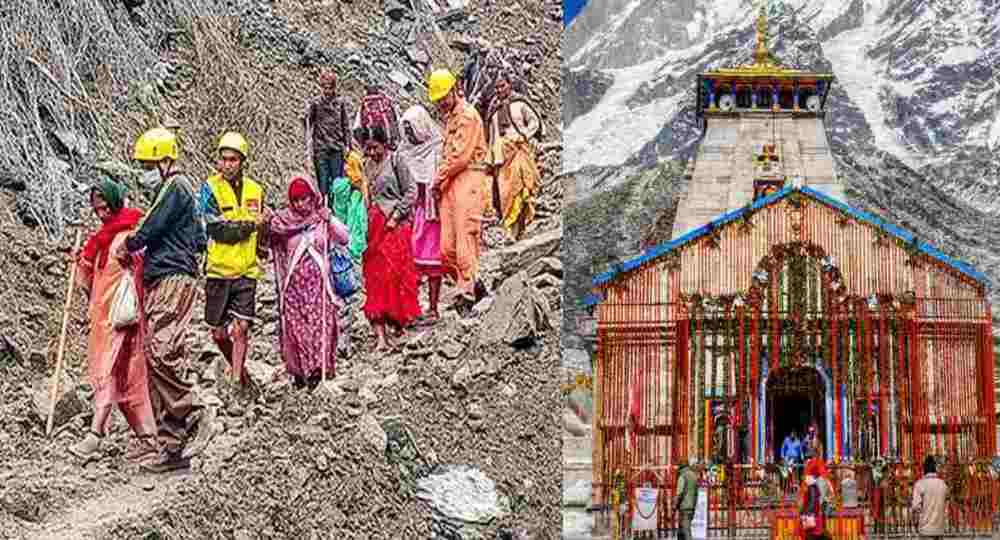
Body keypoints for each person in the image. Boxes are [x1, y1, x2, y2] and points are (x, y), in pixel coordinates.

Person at [116, 127, 205, 472]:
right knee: (158, 357)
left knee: (161, 351)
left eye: (149, 163)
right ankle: (172, 446)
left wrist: (129, 243)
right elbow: (197, 238)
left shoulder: (175, 187)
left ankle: (193, 409)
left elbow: (149, 229)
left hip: (171, 276)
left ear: (165, 160)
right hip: (169, 275)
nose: (146, 169)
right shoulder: (180, 192)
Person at [68, 178, 158, 464]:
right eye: (97, 209)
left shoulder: (131, 236)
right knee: (118, 376)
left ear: (116, 202)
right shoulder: (100, 240)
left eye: (106, 207)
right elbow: (89, 281)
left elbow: (143, 273)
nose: (101, 213)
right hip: (104, 319)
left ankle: (95, 434)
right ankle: (147, 438)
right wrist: (80, 261)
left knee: (119, 374)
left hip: (125, 320)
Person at [267, 176, 350, 388]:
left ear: (312, 197)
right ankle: (300, 372)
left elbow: (343, 238)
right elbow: (269, 242)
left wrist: (329, 218)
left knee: (319, 328)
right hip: (294, 290)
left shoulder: (321, 218)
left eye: (304, 199)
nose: (300, 204)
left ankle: (317, 370)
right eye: (295, 200)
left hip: (319, 287)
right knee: (298, 331)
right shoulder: (283, 222)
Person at [199, 132, 267, 389]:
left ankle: (237, 379)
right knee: (218, 333)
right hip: (218, 269)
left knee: (241, 327)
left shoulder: (255, 190)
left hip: (247, 270)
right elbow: (217, 230)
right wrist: (250, 225)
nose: (227, 164)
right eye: (224, 159)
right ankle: (237, 368)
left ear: (242, 162)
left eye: (233, 160)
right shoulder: (209, 189)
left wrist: (263, 241)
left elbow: (262, 227)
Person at [427, 68, 490, 314]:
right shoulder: (451, 118)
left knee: (465, 238)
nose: (441, 102)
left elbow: (460, 156)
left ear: (454, 90)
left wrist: (437, 179)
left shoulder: (467, 116)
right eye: (438, 99)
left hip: (469, 178)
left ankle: (466, 293)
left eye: (444, 96)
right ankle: (473, 284)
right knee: (446, 249)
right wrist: (441, 182)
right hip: (451, 182)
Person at [359, 125, 421, 349]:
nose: (373, 153)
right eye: (368, 149)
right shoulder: (366, 166)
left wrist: (396, 215)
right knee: (375, 278)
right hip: (374, 228)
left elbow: (411, 191)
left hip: (395, 227)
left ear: (384, 144)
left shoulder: (397, 161)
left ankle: (399, 323)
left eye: (375, 148)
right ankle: (381, 336)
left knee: (395, 275)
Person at [397, 104, 445, 322]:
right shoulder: (403, 152)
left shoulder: (437, 148)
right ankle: (412, 307)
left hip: (432, 214)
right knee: (410, 264)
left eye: (412, 129)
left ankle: (434, 308)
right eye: (405, 130)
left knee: (433, 262)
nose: (409, 135)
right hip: (412, 214)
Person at [484, 71, 543, 241]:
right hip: (500, 157)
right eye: (496, 87)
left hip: (518, 150)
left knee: (520, 187)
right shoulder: (493, 110)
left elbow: (534, 121)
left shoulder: (520, 104)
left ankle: (523, 226)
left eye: (502, 86)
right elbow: (492, 136)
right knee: (505, 192)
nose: (499, 90)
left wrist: (524, 135)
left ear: (510, 85)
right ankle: (510, 228)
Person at [330, 142, 368, 357]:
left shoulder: (346, 188)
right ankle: (343, 341)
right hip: (346, 249)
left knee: (344, 298)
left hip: (344, 249)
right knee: (346, 296)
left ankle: (343, 341)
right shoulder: (345, 188)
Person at [305, 69, 353, 200]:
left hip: (336, 148)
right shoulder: (316, 103)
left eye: (330, 87)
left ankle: (336, 209)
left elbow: (345, 125)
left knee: (338, 184)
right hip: (320, 148)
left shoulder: (340, 103)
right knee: (323, 183)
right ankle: (324, 208)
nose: (327, 91)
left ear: (334, 87)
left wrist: (349, 145)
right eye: (325, 87)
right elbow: (308, 123)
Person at [354, 83, 401, 150]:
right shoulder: (387, 101)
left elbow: (357, 127)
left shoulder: (364, 105)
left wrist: (362, 144)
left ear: (367, 92)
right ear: (378, 90)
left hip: (375, 144)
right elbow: (397, 119)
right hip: (391, 141)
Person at [912, 455, 948, 540]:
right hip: (939, 528)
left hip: (925, 529)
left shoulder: (920, 484)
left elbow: (915, 507)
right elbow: (945, 503)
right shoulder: (943, 484)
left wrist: (916, 524)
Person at [798, 459, 827, 540]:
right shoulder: (814, 486)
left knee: (812, 535)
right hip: (814, 514)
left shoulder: (812, 487)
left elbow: (812, 501)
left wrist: (806, 512)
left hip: (812, 515)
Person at [674, 457, 699, 540]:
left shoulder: (683, 476)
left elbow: (679, 493)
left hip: (684, 507)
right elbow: (696, 494)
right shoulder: (694, 476)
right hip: (691, 507)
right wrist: (694, 506)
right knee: (681, 531)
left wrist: (674, 506)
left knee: (686, 531)